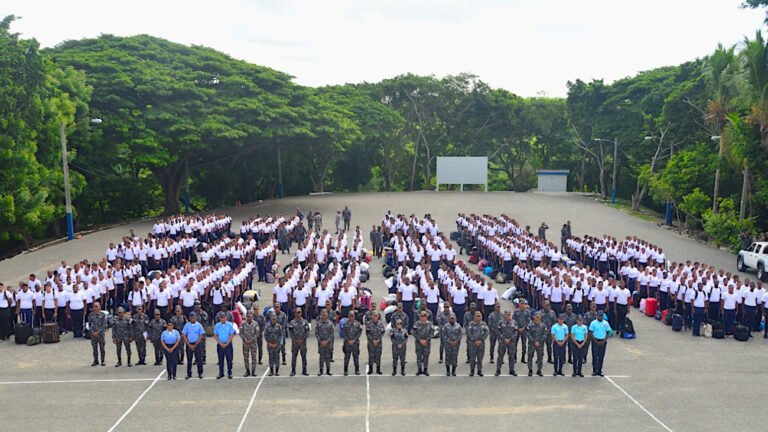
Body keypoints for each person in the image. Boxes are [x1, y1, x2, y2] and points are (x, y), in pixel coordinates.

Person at [495, 309, 518, 376]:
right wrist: (504, 339)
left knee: (511, 356)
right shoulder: (500, 322)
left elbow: (515, 332)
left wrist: (510, 339)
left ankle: (512, 370)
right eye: (507, 314)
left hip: (511, 342)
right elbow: (498, 332)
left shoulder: (514, 322)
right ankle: (498, 370)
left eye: (509, 314)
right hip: (502, 342)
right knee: (500, 356)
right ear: (504, 315)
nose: (508, 316)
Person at [183, 312, 205, 379]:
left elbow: (201, 335)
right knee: (189, 360)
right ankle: (189, 374)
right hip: (189, 344)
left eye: (193, 317)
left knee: (199, 360)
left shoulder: (199, 325)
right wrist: (189, 344)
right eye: (191, 317)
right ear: (189, 318)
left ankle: (200, 373)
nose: (192, 318)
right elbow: (184, 335)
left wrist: (195, 344)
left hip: (197, 344)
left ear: (196, 317)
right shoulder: (187, 325)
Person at [589, 311, 611, 376]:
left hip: (603, 341)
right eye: (599, 315)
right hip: (595, 341)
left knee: (601, 356)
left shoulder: (605, 323)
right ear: (597, 315)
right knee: (595, 356)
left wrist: (604, 340)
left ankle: (599, 370)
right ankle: (594, 370)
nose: (600, 317)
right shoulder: (593, 323)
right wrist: (596, 341)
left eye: (601, 315)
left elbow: (608, 332)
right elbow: (590, 332)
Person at [213, 313, 236, 379]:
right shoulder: (217, 325)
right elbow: (215, 335)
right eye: (221, 317)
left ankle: (230, 373)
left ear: (226, 318)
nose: (223, 319)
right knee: (220, 360)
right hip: (220, 345)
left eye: (224, 317)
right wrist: (220, 343)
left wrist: (227, 343)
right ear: (220, 318)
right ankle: (221, 373)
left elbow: (232, 335)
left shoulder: (229, 324)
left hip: (228, 344)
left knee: (229, 359)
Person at [288, 309, 310, 376]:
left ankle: (304, 370)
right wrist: (296, 340)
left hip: (303, 343)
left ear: (301, 313)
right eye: (297, 312)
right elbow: (290, 332)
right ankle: (293, 371)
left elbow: (307, 332)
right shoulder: (292, 322)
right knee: (294, 357)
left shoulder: (305, 322)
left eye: (299, 312)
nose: (298, 314)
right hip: (295, 343)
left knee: (304, 357)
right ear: (295, 313)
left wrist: (302, 340)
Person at [467, 311, 489, 377]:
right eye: (477, 316)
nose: (478, 317)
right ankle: (472, 371)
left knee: (480, 358)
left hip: (481, 344)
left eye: (480, 316)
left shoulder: (484, 324)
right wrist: (474, 341)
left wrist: (481, 340)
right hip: (473, 344)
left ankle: (479, 370)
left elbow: (486, 332)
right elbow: (469, 333)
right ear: (474, 317)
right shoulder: (471, 324)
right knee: (472, 358)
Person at [87, 302, 108, 366]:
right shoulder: (91, 315)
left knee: (102, 347)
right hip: (93, 334)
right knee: (94, 348)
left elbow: (104, 325)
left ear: (99, 307)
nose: (95, 308)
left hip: (100, 334)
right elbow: (89, 324)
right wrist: (93, 332)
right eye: (94, 306)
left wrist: (98, 332)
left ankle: (103, 360)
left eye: (96, 306)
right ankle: (95, 360)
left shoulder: (103, 315)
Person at [527, 312, 547, 377]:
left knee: (540, 357)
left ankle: (539, 370)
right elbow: (528, 334)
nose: (537, 319)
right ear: (534, 317)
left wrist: (539, 342)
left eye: (538, 317)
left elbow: (545, 334)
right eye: (536, 317)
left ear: (540, 318)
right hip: (532, 344)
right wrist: (534, 341)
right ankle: (530, 370)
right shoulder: (530, 325)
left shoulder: (543, 325)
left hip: (540, 344)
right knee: (530, 356)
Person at [342, 311, 362, 376]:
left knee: (356, 358)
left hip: (355, 343)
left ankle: (357, 369)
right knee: (347, 358)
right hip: (347, 343)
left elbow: (359, 333)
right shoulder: (345, 324)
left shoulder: (358, 324)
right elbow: (344, 333)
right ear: (348, 317)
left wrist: (353, 340)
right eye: (350, 316)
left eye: (352, 316)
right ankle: (345, 370)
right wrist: (348, 340)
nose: (351, 317)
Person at [365, 310, 385, 375]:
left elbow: (382, 332)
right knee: (371, 356)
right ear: (371, 316)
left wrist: (378, 340)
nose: (375, 317)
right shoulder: (368, 324)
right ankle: (370, 369)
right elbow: (367, 333)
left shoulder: (381, 324)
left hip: (379, 343)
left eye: (376, 316)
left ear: (378, 316)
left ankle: (378, 369)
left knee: (378, 356)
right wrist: (373, 340)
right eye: (374, 316)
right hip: (371, 343)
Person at [241, 311, 260, 377]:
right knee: (246, 357)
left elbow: (257, 333)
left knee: (254, 357)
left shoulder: (255, 323)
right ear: (246, 316)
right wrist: (245, 340)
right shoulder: (243, 323)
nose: (249, 318)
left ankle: (253, 371)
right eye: (248, 316)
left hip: (253, 343)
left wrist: (251, 340)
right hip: (245, 343)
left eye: (250, 316)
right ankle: (247, 370)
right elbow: (241, 333)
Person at [413, 310, 432, 376]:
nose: (423, 317)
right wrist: (420, 340)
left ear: (426, 317)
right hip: (419, 343)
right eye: (422, 316)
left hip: (427, 343)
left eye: (424, 316)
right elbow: (414, 333)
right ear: (420, 317)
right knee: (419, 356)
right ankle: (419, 369)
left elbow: (431, 333)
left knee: (426, 356)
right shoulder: (416, 324)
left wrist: (426, 340)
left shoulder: (429, 324)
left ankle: (425, 369)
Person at [316, 309, 335, 376]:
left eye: (325, 315)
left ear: (327, 315)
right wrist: (321, 341)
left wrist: (327, 341)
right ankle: (321, 370)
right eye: (323, 315)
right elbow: (317, 333)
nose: (324, 316)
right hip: (321, 343)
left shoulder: (330, 323)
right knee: (321, 357)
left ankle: (328, 370)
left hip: (328, 343)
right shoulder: (318, 323)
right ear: (321, 315)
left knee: (328, 357)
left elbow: (332, 334)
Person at [264, 312, 282, 376]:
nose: (273, 320)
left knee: (277, 358)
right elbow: (265, 335)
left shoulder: (279, 326)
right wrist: (269, 343)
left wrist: (277, 343)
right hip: (270, 344)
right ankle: (271, 371)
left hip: (277, 344)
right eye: (272, 319)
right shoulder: (267, 326)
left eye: (274, 319)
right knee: (271, 358)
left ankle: (277, 371)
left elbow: (280, 335)